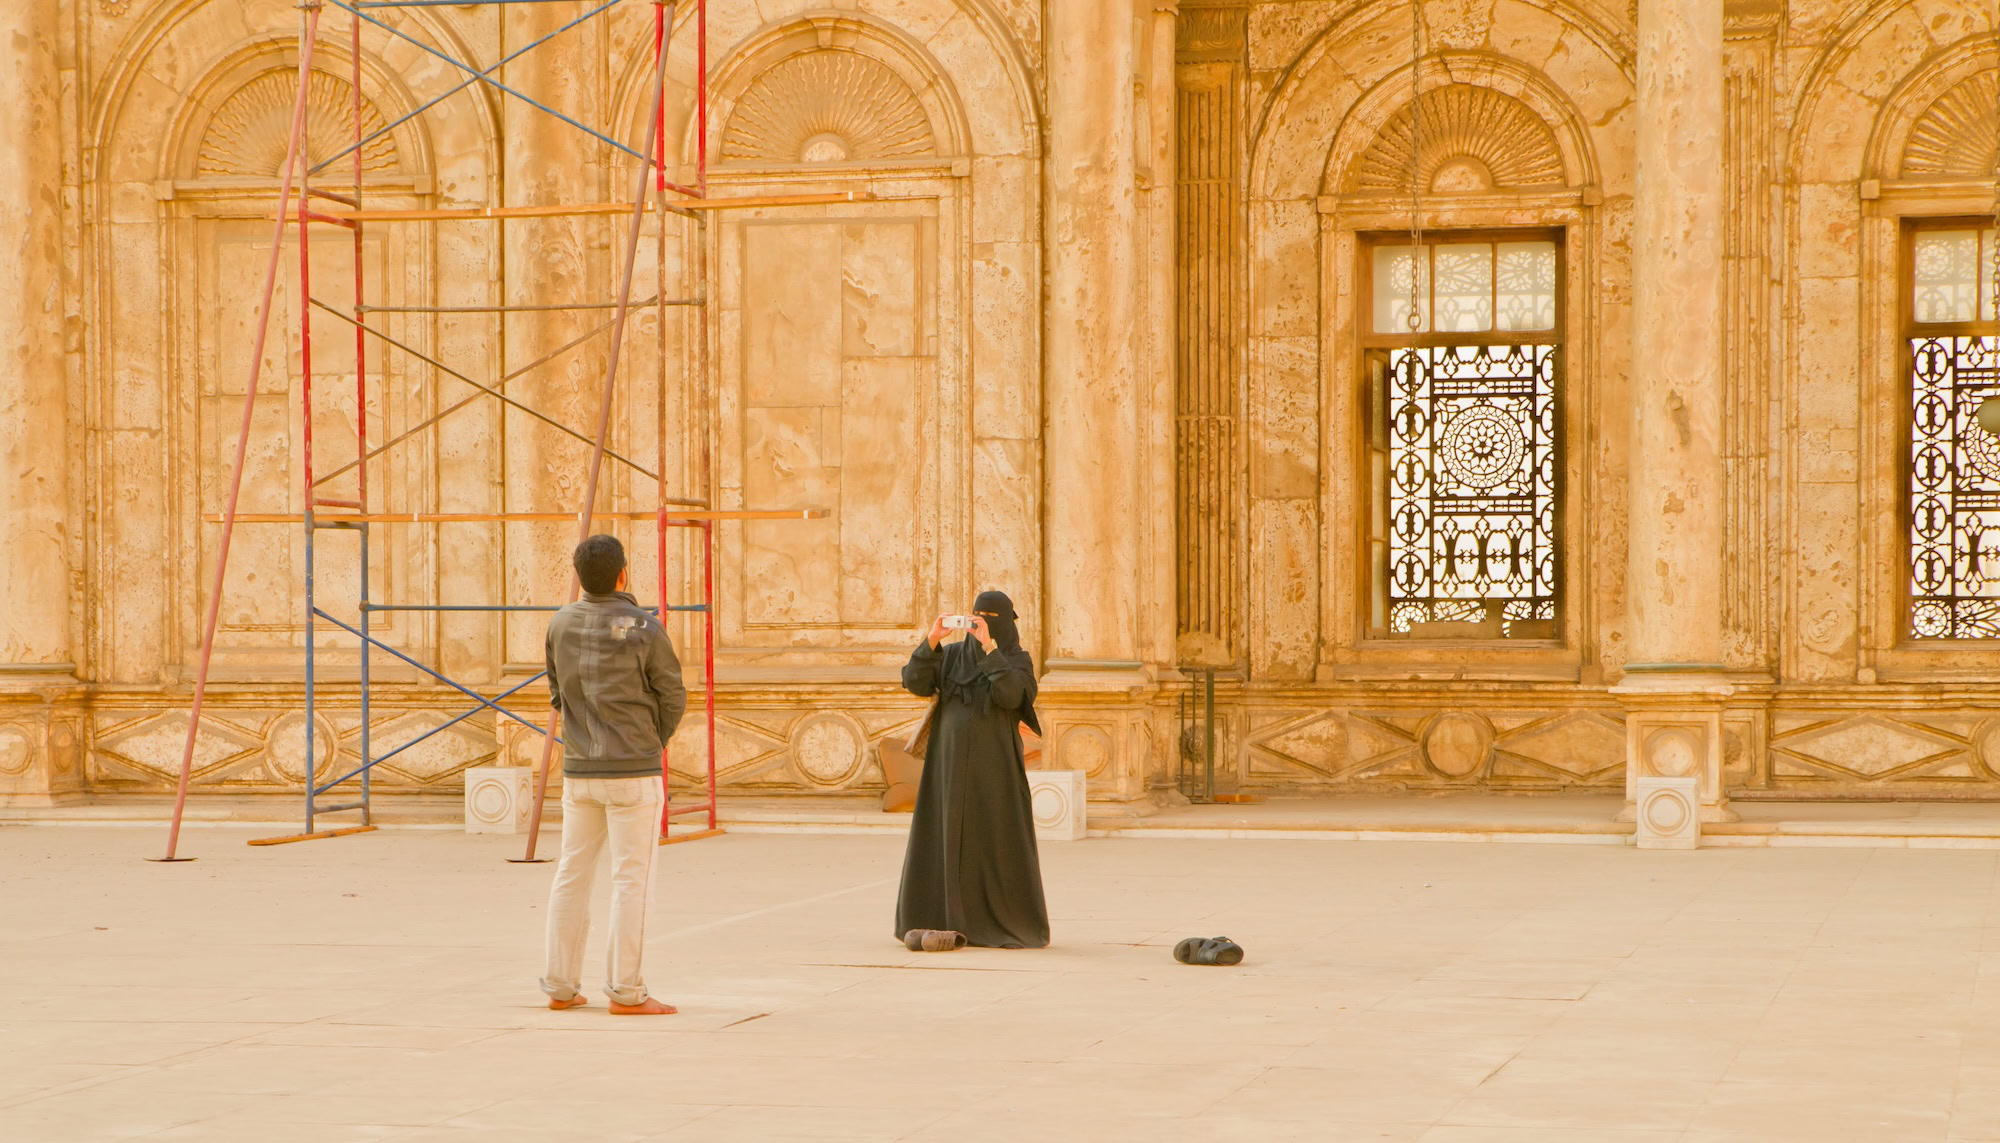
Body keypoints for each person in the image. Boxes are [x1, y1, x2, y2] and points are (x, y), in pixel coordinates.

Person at [539, 534, 687, 1015]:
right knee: (631, 881)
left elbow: (557, 693)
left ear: (579, 576)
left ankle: (560, 986)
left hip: (579, 770)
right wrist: (651, 741)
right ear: (623, 574)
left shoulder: (559, 624)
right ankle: (626, 992)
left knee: (571, 874)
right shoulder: (645, 626)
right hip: (634, 772)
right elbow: (672, 694)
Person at [894, 590, 1049, 950]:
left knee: (991, 837)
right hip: (946, 767)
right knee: (943, 835)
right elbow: (915, 681)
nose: (983, 623)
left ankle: (991, 922)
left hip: (994, 767)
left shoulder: (1016, 659)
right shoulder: (950, 656)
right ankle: (938, 920)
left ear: (1007, 623)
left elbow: (1011, 696)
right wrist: (932, 639)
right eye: (978, 616)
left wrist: (990, 650)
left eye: (991, 618)